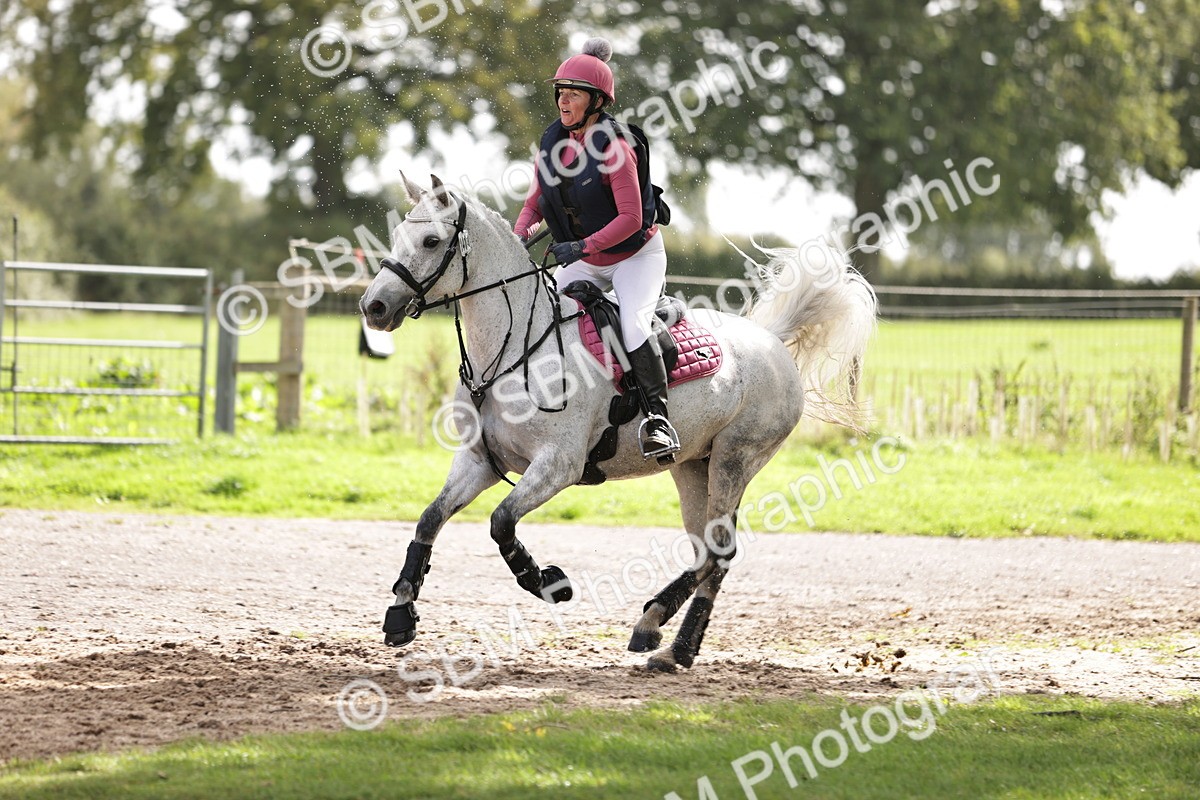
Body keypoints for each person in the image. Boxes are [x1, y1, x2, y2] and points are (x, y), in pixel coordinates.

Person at [513, 37, 679, 458]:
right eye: (560, 93)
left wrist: (581, 245)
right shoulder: (552, 142)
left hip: (634, 259)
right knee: (545, 312)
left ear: (596, 101)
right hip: (585, 258)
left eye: (573, 94)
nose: (563, 101)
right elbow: (535, 202)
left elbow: (631, 219)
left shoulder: (616, 148)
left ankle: (657, 418)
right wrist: (518, 237)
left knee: (634, 325)